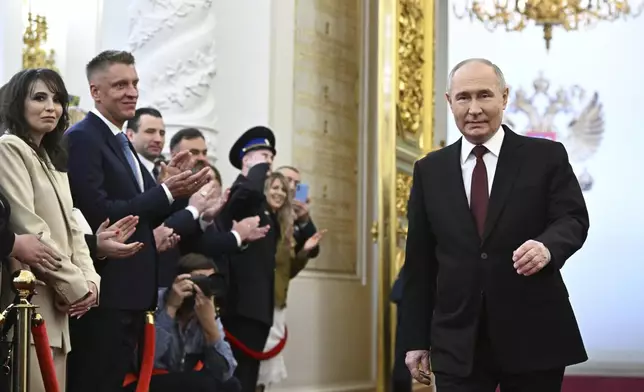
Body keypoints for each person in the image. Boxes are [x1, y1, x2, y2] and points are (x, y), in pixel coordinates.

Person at [400, 58, 589, 392]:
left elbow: (572, 219)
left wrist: (547, 247)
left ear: (504, 97)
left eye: (484, 95)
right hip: (457, 341)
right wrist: (415, 339)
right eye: (463, 98)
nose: (474, 108)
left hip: (534, 333)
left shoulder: (545, 156)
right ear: (449, 102)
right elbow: (419, 263)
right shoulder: (429, 170)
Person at [65, 50, 211, 392]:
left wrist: (171, 188)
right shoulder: (84, 137)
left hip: (133, 294)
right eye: (120, 85)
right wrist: (162, 192)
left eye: (134, 83)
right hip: (107, 294)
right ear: (95, 91)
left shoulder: (121, 142)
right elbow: (99, 212)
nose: (132, 91)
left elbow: (145, 211)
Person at [0, 68, 101, 392]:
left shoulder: (51, 159)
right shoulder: (10, 148)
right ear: (18, 103)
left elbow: (74, 229)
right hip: (32, 302)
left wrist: (91, 285)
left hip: (59, 306)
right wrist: (74, 288)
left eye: (57, 99)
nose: (51, 107)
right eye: (39, 98)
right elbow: (30, 228)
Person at [215, 126, 276, 392]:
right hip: (242, 305)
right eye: (263, 155)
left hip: (257, 306)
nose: (270, 161)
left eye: (271, 156)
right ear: (246, 159)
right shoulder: (242, 192)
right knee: (239, 378)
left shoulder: (259, 200)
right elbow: (244, 198)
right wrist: (257, 171)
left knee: (249, 378)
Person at [123, 253, 239, 392]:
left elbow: (224, 372)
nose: (202, 289)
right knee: (201, 384)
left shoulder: (206, 309)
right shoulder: (156, 301)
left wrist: (210, 326)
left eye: (209, 282)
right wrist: (170, 309)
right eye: (199, 280)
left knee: (231, 385)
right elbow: (144, 362)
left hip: (185, 379)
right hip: (146, 379)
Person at [256, 173, 324, 390]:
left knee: (265, 368)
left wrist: (304, 251)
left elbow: (286, 271)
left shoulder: (285, 225)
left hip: (277, 301)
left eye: (285, 189)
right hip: (255, 302)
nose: (281, 192)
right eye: (276, 187)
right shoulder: (257, 218)